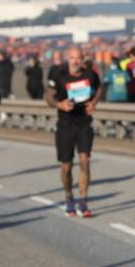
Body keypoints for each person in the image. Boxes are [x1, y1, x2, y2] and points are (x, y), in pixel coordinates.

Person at [46, 46, 101, 217]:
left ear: (82, 59)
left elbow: (99, 89)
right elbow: (48, 96)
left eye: (78, 58)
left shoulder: (90, 74)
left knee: (84, 160)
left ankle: (83, 201)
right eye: (72, 58)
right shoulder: (59, 75)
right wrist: (59, 104)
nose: (75, 61)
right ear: (67, 58)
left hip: (84, 122)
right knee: (66, 166)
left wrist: (94, 103)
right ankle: (69, 197)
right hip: (65, 124)